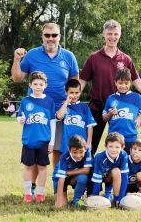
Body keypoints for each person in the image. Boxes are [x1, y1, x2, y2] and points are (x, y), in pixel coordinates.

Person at [79, 20, 141, 155]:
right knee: (89, 147)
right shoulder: (94, 58)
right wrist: (69, 100)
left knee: (120, 149)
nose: (112, 37)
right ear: (104, 34)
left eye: (116, 34)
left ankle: (122, 175)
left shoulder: (125, 59)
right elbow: (82, 81)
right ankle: (88, 175)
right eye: (109, 33)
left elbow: (137, 82)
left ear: (120, 35)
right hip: (98, 109)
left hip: (121, 112)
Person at [12, 22, 79, 168]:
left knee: (58, 149)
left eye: (54, 35)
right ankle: (34, 188)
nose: (50, 38)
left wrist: (70, 101)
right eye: (47, 35)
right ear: (42, 37)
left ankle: (56, 185)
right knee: (36, 147)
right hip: (37, 109)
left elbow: (74, 83)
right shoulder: (32, 55)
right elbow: (17, 78)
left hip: (59, 110)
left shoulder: (69, 56)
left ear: (59, 36)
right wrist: (17, 59)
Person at [16, 72, 56, 203]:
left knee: (42, 167)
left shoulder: (49, 101)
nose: (38, 87)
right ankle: (28, 193)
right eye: (35, 84)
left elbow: (52, 122)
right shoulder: (25, 101)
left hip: (44, 140)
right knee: (28, 167)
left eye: (41, 84)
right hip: (28, 140)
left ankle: (40, 193)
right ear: (30, 85)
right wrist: (20, 120)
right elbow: (19, 117)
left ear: (45, 85)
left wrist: (52, 142)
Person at [102, 68, 141, 154]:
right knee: (114, 164)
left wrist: (139, 117)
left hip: (130, 138)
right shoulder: (111, 98)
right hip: (113, 139)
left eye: (126, 83)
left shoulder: (136, 97)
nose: (123, 86)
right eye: (120, 83)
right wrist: (110, 114)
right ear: (115, 82)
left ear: (130, 82)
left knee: (129, 164)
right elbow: (104, 118)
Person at [56, 79, 96, 154]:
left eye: (77, 92)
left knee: (81, 165)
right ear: (66, 92)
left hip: (82, 145)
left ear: (80, 92)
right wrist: (66, 102)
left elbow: (90, 126)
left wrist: (88, 143)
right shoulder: (63, 106)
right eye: (71, 92)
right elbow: (59, 116)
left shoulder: (84, 107)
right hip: (66, 146)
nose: (74, 95)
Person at [90, 132, 129, 208]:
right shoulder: (100, 157)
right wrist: (96, 198)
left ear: (122, 147)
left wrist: (120, 199)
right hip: (94, 179)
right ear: (105, 146)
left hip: (109, 176)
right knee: (91, 198)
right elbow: (97, 180)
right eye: (111, 146)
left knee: (116, 171)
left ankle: (114, 198)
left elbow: (124, 177)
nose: (114, 150)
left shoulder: (123, 155)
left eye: (117, 147)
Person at [53, 135, 92, 208]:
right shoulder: (64, 157)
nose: (78, 155)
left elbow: (86, 170)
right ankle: (62, 199)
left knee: (83, 177)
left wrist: (68, 172)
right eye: (75, 152)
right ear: (69, 149)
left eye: (81, 152)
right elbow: (61, 180)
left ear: (85, 148)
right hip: (59, 179)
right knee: (63, 204)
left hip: (72, 176)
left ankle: (76, 201)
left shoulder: (87, 151)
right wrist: (58, 202)